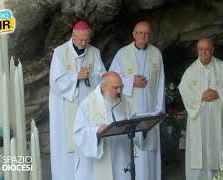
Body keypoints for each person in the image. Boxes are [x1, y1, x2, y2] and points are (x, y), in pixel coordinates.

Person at [49, 21, 106, 180]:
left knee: (87, 143)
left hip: (88, 107)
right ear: (73, 36)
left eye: (86, 40)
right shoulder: (60, 53)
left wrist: (90, 76)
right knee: (67, 148)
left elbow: (102, 77)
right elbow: (55, 82)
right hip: (66, 108)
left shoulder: (94, 52)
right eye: (80, 40)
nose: (83, 43)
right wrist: (76, 77)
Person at [109, 20, 165, 180]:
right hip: (130, 110)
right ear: (134, 34)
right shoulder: (122, 53)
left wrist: (159, 109)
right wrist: (130, 82)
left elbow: (161, 82)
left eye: (147, 34)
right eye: (140, 33)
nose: (143, 36)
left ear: (150, 36)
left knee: (148, 155)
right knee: (132, 154)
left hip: (150, 110)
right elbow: (110, 78)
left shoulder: (156, 54)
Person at [178, 38, 223, 180]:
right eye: (201, 49)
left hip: (219, 120)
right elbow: (184, 91)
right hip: (199, 121)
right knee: (199, 155)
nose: (204, 52)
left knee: (220, 152)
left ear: (212, 50)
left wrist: (219, 93)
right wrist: (201, 96)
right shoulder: (190, 71)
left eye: (207, 49)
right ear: (197, 51)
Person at [73, 72, 131, 180]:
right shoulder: (87, 104)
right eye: (115, 87)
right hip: (95, 166)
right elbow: (79, 133)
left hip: (119, 158)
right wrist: (96, 131)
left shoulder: (123, 102)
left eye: (121, 87)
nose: (119, 91)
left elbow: (132, 120)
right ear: (103, 87)